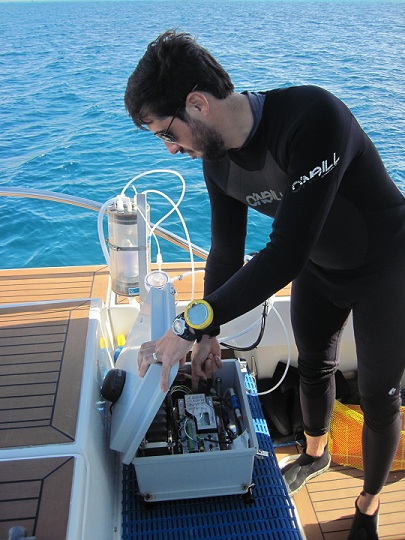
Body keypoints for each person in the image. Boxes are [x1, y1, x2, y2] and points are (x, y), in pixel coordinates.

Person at [125, 30, 405, 539]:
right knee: (314, 367)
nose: (170, 148)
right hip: (320, 269)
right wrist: (209, 336)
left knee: (377, 394)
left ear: (197, 103)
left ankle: (367, 503)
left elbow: (283, 256)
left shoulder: (312, 118)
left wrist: (189, 325)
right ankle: (314, 455)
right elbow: (227, 254)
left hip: (386, 266)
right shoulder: (215, 158)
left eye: (167, 132)